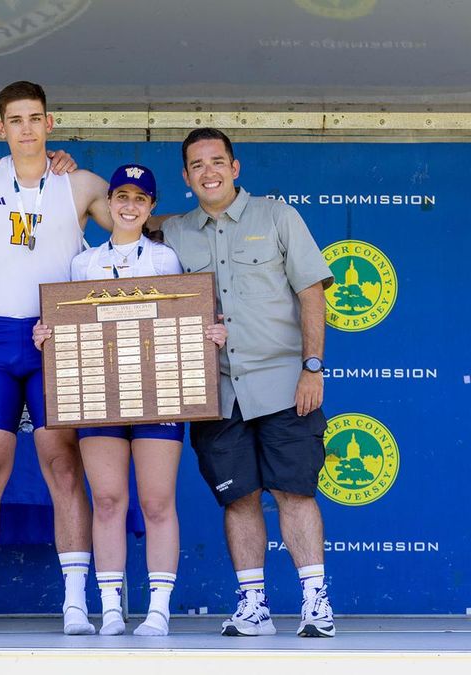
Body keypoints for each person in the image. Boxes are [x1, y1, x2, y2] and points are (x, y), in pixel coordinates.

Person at [0, 81, 113, 635]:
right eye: (16, 119)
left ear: (50, 123)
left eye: (35, 118)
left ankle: (75, 604)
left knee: (63, 467)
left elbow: (136, 229)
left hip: (55, 339)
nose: (26, 128)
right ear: (0, 127)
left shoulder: (80, 183)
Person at [32, 165, 226, 636]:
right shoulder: (83, 263)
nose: (129, 206)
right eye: (122, 196)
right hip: (99, 396)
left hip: (158, 394)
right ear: (109, 202)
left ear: (151, 207)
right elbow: (67, 326)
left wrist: (209, 333)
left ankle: (158, 609)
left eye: (140, 199)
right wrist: (47, 336)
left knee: (157, 502)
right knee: (107, 500)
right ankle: (111, 609)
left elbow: (185, 315)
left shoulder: (165, 259)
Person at [157, 128, 335, 638]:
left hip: (283, 382)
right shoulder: (174, 232)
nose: (208, 172)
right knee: (239, 498)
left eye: (217, 161)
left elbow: (312, 292)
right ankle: (253, 606)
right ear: (186, 176)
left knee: (294, 492)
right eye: (197, 165)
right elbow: (124, 222)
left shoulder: (277, 216)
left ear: (235, 168)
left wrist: (312, 367)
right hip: (215, 391)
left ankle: (315, 601)